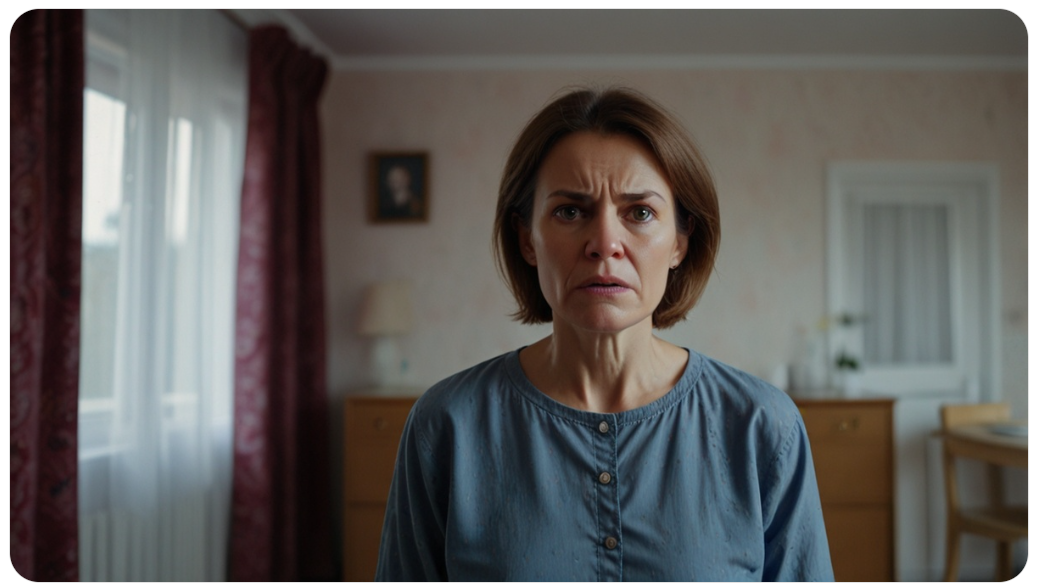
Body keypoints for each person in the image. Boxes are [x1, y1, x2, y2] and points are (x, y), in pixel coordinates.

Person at [375, 87, 833, 581]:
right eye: (571, 211)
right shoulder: (447, 425)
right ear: (527, 239)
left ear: (680, 242)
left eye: (640, 213)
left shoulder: (762, 426)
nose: (605, 243)